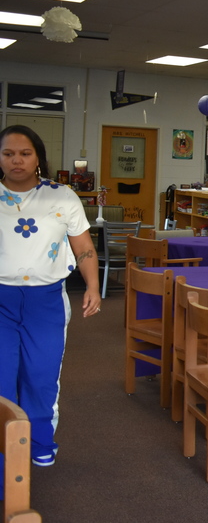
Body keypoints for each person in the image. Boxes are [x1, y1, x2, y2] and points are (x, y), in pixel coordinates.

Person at [0, 125, 101, 467]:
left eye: (25, 153)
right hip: (1, 299)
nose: (16, 160)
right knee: (2, 376)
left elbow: (84, 247)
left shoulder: (62, 196)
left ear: (38, 158)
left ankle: (40, 440)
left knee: (41, 375)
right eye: (8, 153)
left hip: (46, 300)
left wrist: (92, 286)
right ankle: (3, 449)